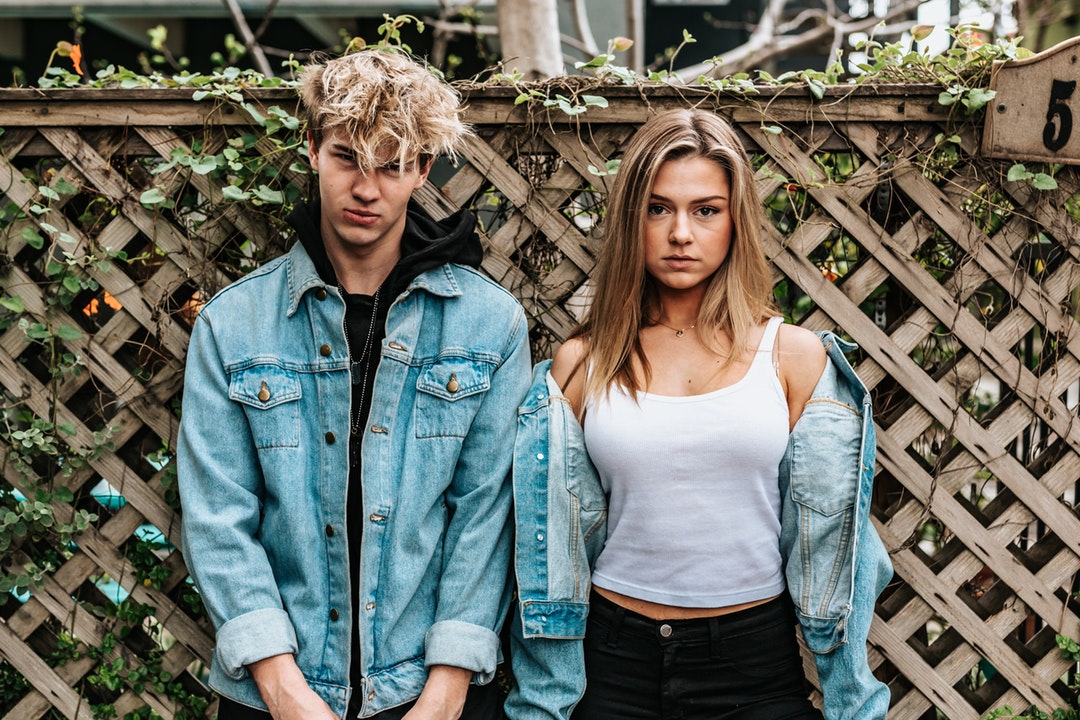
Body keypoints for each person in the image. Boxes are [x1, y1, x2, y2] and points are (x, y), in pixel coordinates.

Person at [178, 48, 531, 720]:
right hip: (275, 693)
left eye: (392, 165)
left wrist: (447, 689)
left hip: (431, 694)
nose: (366, 189)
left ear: (422, 169)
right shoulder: (234, 326)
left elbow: (485, 516)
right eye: (347, 158)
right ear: (312, 149)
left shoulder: (488, 325)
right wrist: (284, 691)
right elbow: (217, 518)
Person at [506, 108, 893, 720]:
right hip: (612, 664)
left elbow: (836, 546)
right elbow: (549, 544)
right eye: (658, 208)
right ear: (632, 221)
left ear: (735, 222)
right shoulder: (582, 364)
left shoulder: (794, 358)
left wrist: (851, 698)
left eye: (705, 210)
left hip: (752, 665)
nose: (680, 232)